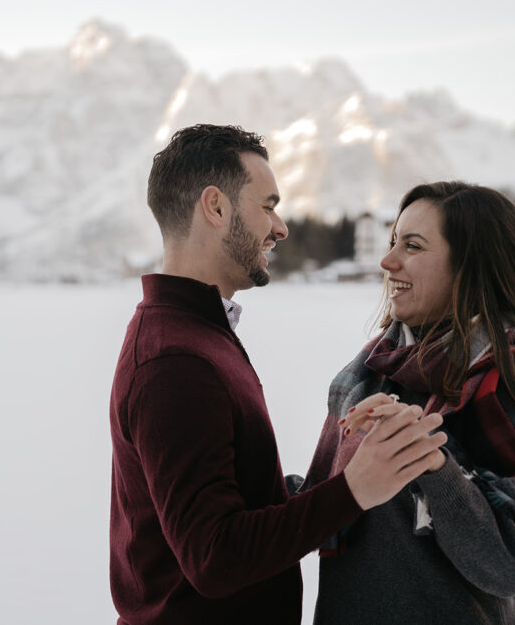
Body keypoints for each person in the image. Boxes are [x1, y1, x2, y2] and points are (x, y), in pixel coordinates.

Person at [109, 124, 448, 624]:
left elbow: (234, 503)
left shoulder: (195, 333)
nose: (281, 226)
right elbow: (215, 557)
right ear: (216, 207)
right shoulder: (175, 361)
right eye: (267, 205)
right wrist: (354, 488)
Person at [299, 181, 515, 624]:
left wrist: (433, 463)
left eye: (412, 246)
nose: (388, 262)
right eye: (393, 243)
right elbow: (324, 504)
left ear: (470, 267)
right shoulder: (367, 376)